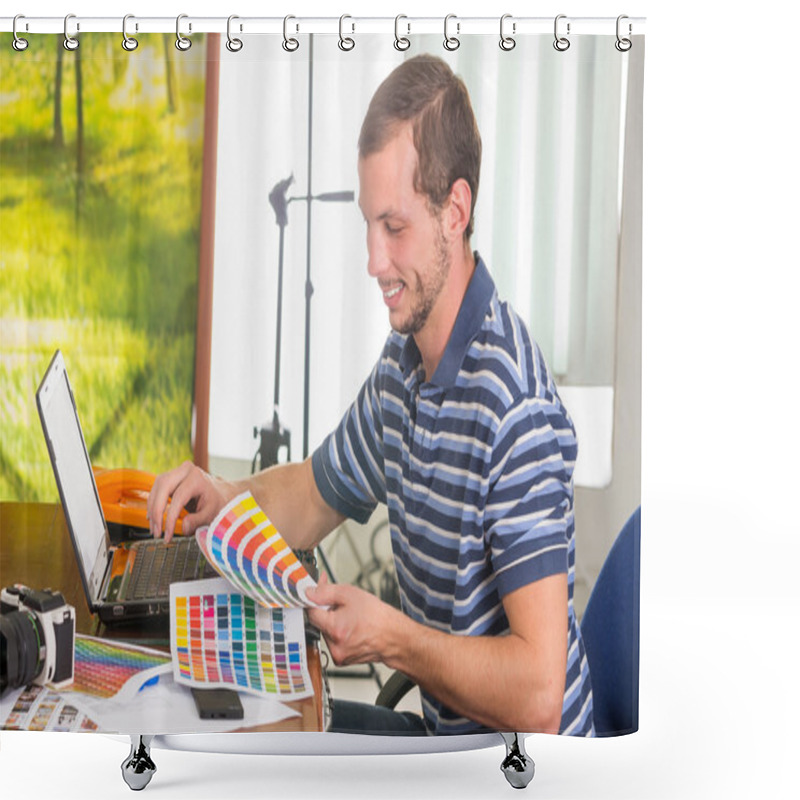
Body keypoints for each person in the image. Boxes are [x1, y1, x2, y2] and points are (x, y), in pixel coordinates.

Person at [148, 55, 593, 738]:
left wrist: (393, 639)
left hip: (518, 767)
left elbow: (539, 693)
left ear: (455, 210)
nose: (372, 261)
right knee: (229, 735)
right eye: (367, 225)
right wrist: (223, 497)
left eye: (394, 227)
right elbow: (317, 493)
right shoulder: (407, 362)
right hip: (450, 740)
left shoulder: (514, 409)